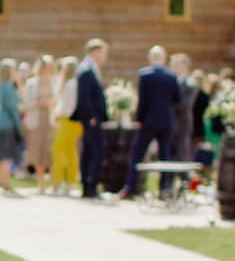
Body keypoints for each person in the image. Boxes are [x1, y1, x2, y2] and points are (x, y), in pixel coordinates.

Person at [120, 46, 181, 199]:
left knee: (138, 153)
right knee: (164, 155)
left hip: (148, 120)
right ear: (164, 58)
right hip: (166, 120)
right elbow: (177, 99)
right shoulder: (171, 76)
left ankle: (131, 187)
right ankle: (164, 189)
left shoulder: (145, 75)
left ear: (150, 59)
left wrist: (139, 119)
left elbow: (143, 101)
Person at [74, 38, 108, 199]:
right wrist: (91, 116)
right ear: (95, 52)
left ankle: (88, 186)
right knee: (96, 151)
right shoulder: (86, 70)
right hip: (91, 119)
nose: (104, 56)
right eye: (103, 52)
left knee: (88, 152)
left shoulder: (91, 68)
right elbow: (84, 97)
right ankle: (90, 185)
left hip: (92, 118)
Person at [23, 54, 56, 191]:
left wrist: (50, 102)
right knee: (37, 149)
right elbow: (26, 102)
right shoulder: (32, 83)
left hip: (51, 119)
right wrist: (38, 103)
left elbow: (60, 99)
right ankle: (41, 182)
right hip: (37, 119)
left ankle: (55, 182)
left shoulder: (55, 82)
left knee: (51, 150)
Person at [49, 55, 81, 194]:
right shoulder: (75, 83)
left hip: (67, 120)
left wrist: (57, 114)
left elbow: (67, 105)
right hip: (73, 121)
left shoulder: (70, 84)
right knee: (70, 151)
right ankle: (70, 181)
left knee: (58, 150)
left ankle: (59, 181)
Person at [0, 57, 23, 191]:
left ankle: (0, 179)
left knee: (1, 153)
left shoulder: (1, 86)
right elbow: (13, 107)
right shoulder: (9, 87)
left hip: (1, 123)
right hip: (9, 124)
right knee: (8, 154)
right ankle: (6, 182)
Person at [170, 52, 196, 162]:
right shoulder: (171, 81)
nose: (172, 67)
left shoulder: (190, 82)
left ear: (184, 66)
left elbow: (186, 104)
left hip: (182, 124)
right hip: (169, 124)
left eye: (175, 64)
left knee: (182, 154)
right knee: (169, 155)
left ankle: (184, 178)